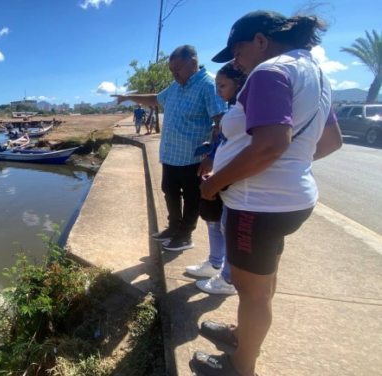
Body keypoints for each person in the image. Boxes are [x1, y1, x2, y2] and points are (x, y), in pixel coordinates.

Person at [189, 11, 343, 376]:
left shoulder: (269, 72)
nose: (235, 61)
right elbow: (331, 142)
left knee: (252, 292)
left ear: (261, 40)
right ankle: (242, 334)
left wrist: (213, 184)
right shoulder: (316, 75)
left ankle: (240, 366)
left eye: (237, 51)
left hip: (257, 205)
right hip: (290, 200)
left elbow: (269, 146)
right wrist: (289, 168)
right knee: (264, 281)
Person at [114, 45, 226, 252]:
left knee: (192, 197)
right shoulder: (176, 86)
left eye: (178, 68)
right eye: (171, 70)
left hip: (192, 158)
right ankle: (173, 227)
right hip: (171, 155)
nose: (175, 74)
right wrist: (129, 96)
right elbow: (155, 100)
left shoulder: (208, 85)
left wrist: (211, 156)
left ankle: (185, 235)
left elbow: (220, 122)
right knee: (170, 192)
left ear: (193, 62)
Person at [186, 62, 247, 296]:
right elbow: (224, 140)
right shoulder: (235, 107)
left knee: (227, 227)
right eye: (217, 85)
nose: (218, 90)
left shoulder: (247, 107)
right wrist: (211, 156)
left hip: (235, 181)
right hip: (220, 176)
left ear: (239, 83)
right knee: (214, 221)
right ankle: (214, 263)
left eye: (222, 85)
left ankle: (228, 279)